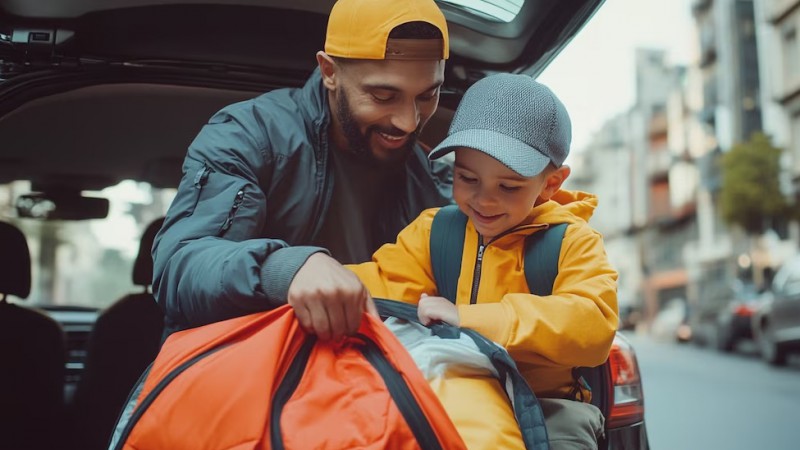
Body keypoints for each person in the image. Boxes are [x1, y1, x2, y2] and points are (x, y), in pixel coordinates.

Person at [346, 73, 619, 450]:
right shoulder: (435, 232)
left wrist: (472, 319)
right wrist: (305, 274)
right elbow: (380, 283)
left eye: (508, 187)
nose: (484, 200)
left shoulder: (572, 243)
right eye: (467, 177)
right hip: (451, 386)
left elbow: (591, 326)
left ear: (552, 183)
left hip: (549, 407)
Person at [151, 0, 453, 339]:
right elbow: (179, 270)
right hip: (248, 374)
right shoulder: (251, 134)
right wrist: (284, 269)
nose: (408, 122)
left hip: (374, 378)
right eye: (384, 96)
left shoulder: (432, 179)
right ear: (329, 72)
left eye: (428, 95)